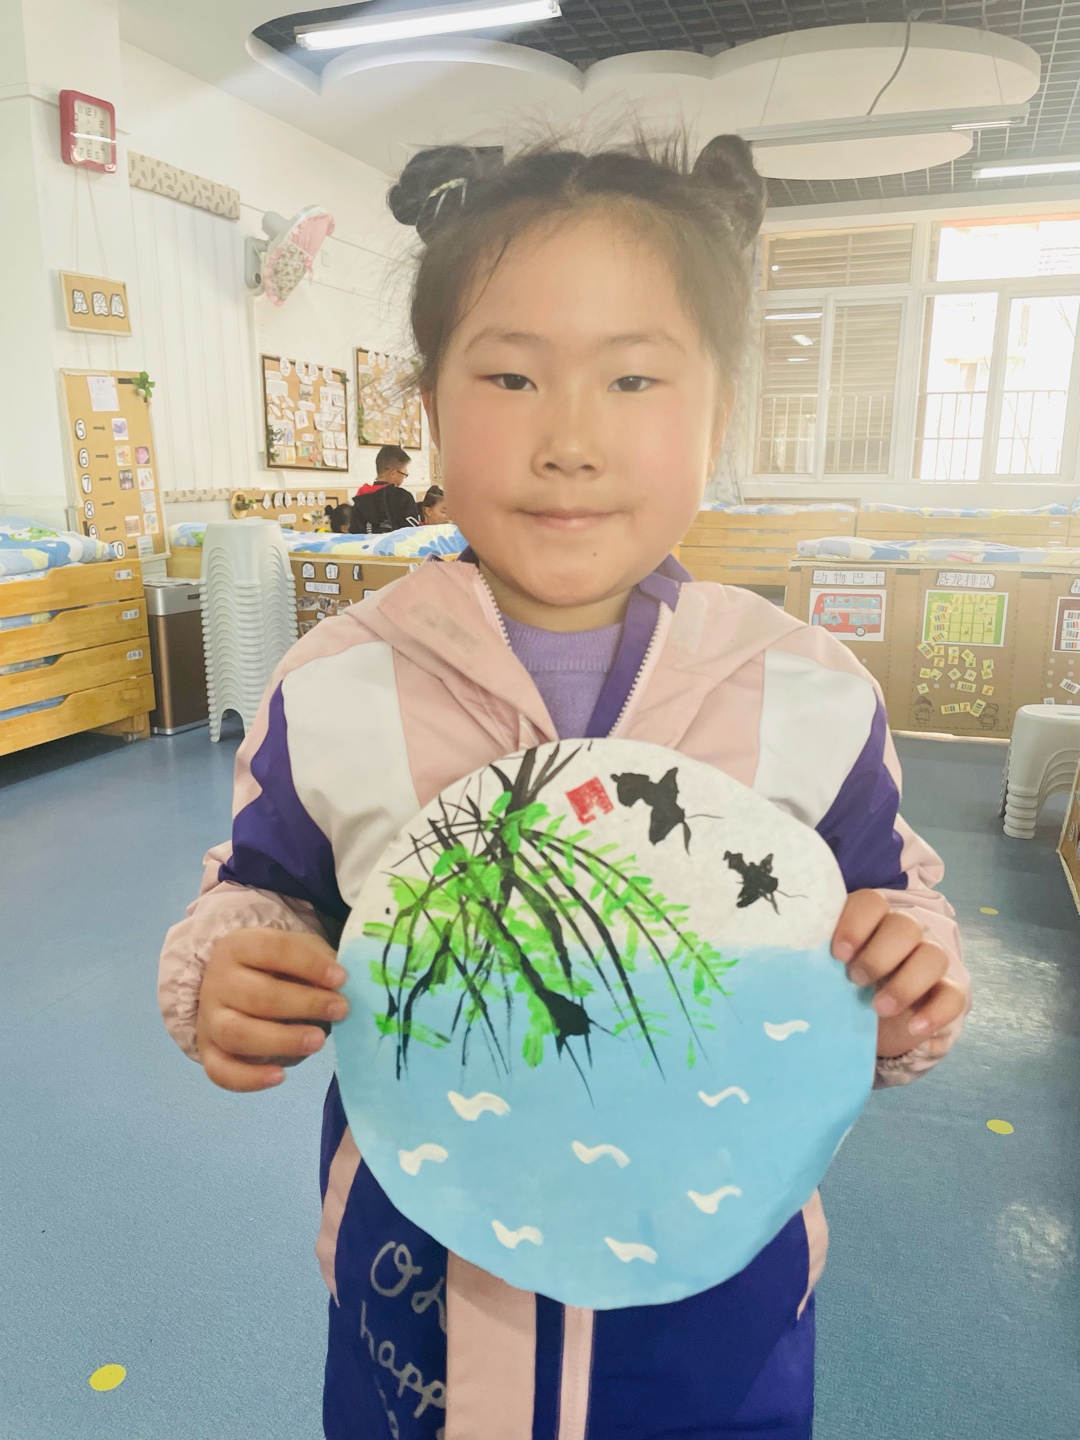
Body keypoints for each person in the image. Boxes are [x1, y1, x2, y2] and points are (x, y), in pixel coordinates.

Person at [159, 135, 969, 1440]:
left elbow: (888, 896)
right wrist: (231, 969)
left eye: (635, 377)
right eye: (512, 376)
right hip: (417, 1310)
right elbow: (264, 890)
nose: (572, 440)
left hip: (712, 1323)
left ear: (719, 413)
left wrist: (906, 974)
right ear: (432, 405)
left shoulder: (809, 694)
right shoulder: (342, 683)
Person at [349, 444, 420, 533]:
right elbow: (413, 533)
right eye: (404, 474)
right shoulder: (403, 497)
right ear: (393, 473)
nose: (403, 478)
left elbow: (354, 534)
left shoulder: (361, 497)